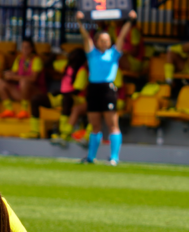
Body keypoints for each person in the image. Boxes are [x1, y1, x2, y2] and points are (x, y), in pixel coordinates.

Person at [78, 10, 136, 166]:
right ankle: (91, 157)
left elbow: (122, 36)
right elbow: (85, 36)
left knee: (112, 124)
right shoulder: (92, 54)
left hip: (107, 90)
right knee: (95, 125)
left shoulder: (113, 54)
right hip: (94, 89)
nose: (105, 43)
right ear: (96, 42)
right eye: (102, 40)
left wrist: (129, 21)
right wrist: (79, 22)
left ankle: (114, 157)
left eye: (107, 40)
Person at [29, 47, 86, 141]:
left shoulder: (82, 71)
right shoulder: (66, 65)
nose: (71, 55)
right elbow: (47, 65)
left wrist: (60, 92)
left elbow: (76, 91)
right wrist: (54, 54)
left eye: (74, 54)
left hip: (76, 99)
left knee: (66, 99)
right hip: (62, 96)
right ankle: (35, 131)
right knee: (35, 99)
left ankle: (63, 132)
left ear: (79, 58)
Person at [0, 37, 44, 119]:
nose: (25, 50)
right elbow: (14, 73)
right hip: (21, 92)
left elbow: (33, 79)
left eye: (27, 47)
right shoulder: (19, 59)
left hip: (36, 93)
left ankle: (24, 110)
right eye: (23, 47)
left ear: (32, 49)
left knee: (24, 82)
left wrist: (14, 77)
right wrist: (7, 75)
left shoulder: (37, 60)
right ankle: (9, 109)